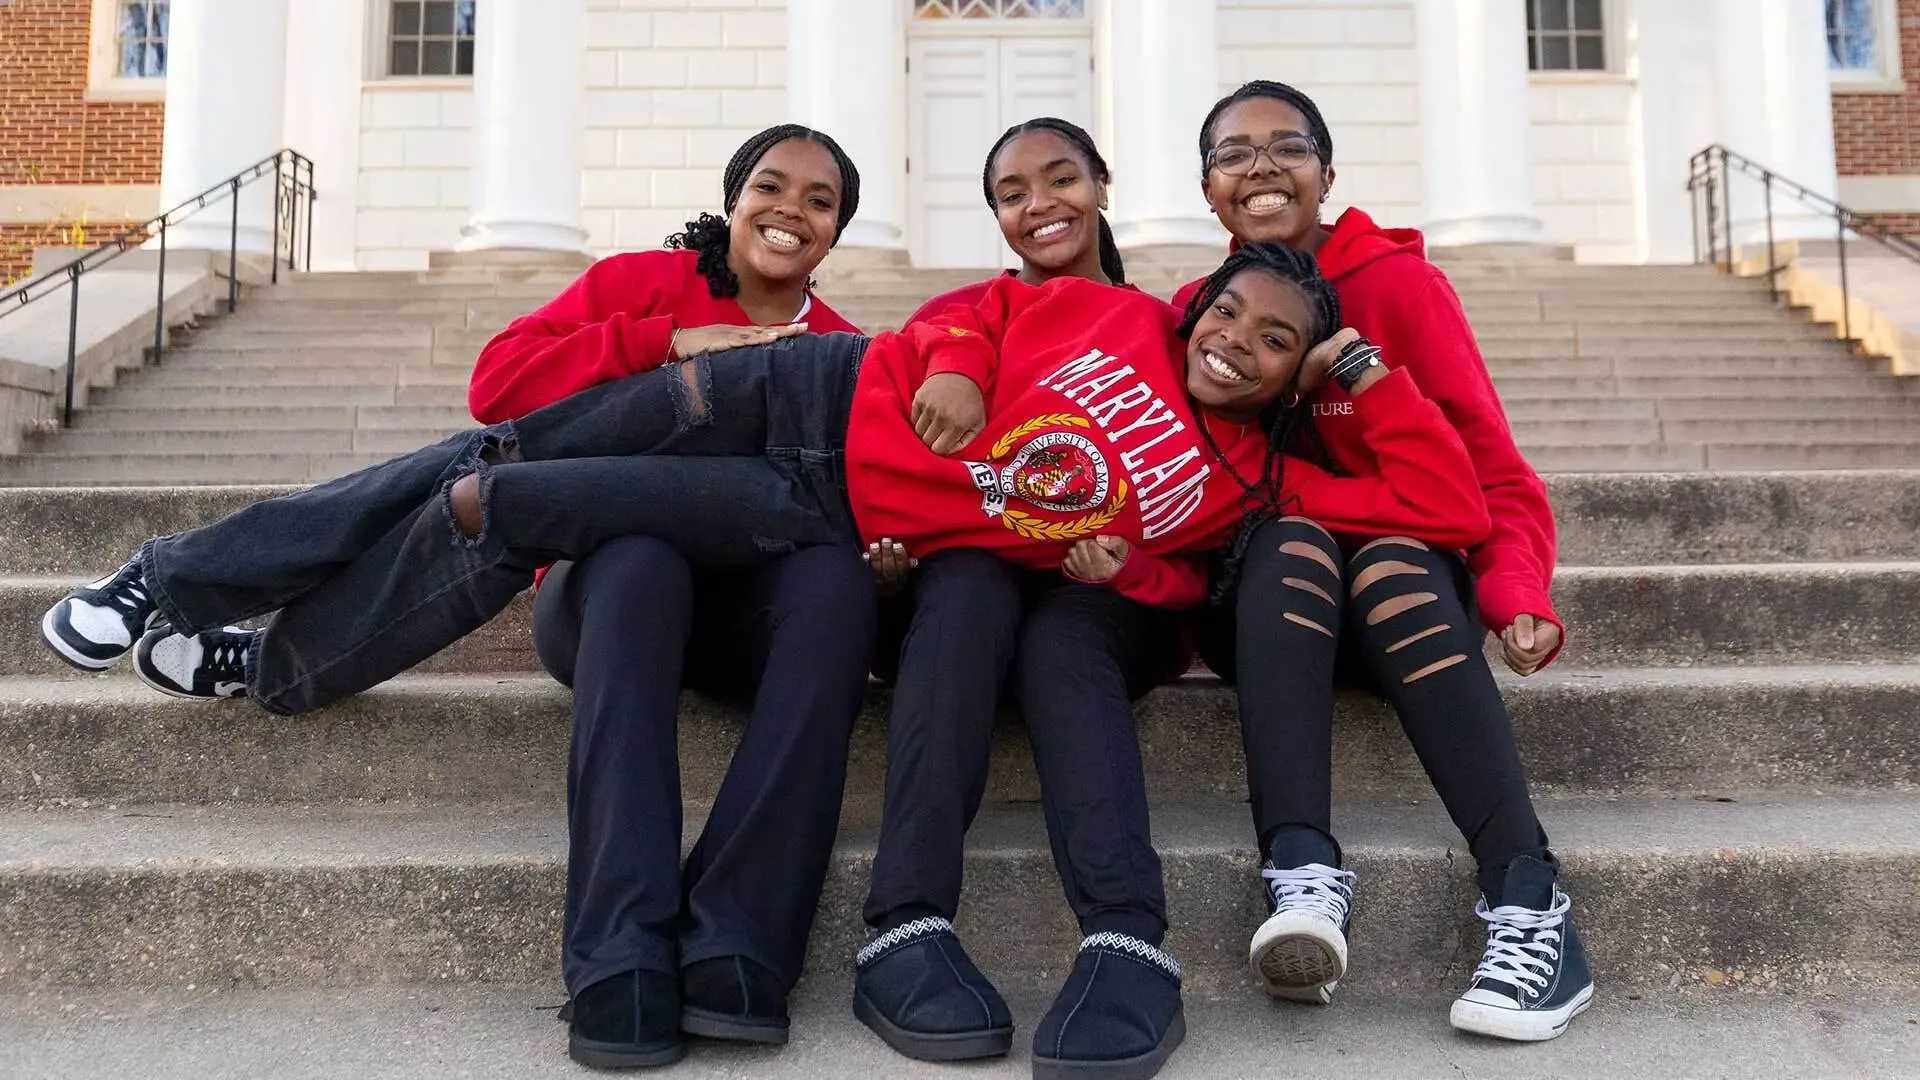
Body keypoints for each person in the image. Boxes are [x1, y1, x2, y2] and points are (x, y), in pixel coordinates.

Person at [39, 243, 1487, 1077]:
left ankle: (270, 667)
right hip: (786, 392)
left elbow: (1439, 507)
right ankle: (167, 579)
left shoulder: (1239, 489)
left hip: (809, 509)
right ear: (1195, 301)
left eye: (1278, 337)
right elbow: (972, 313)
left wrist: (1346, 391)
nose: (1235, 338)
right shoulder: (1108, 309)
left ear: (1304, 367)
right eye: (1229, 309)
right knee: (491, 459)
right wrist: (956, 365)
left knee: (505, 506)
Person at [1173, 80, 1593, 1042]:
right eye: (1234, 154)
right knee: (1290, 542)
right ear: (1207, 190)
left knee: (1392, 555)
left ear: (1327, 171)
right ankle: (1303, 879)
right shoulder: (1211, 314)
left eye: (1288, 147)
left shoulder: (1402, 290)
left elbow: (1489, 479)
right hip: (1277, 613)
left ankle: (1530, 902)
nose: (1262, 168)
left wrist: (1515, 588)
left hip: (1411, 611)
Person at [470, 127, 871, 1068]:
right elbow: (497, 386)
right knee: (644, 553)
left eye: (820, 202)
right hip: (609, 603)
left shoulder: (844, 352)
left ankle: (741, 934)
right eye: (770, 188)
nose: (791, 211)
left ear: (837, 231)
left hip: (740, 625)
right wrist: (671, 343)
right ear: (733, 200)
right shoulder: (639, 286)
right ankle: (620, 948)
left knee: (832, 579)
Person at [850, 118, 1188, 1076]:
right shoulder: (974, 309)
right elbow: (944, 341)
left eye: (1060, 179)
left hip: (1113, 597)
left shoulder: (1165, 325)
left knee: (1062, 643)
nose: (1039, 205)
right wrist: (958, 367)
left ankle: (1128, 942)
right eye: (1011, 192)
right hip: (979, 589)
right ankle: (902, 928)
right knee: (963, 589)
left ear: (1104, 186)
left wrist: (1130, 564)